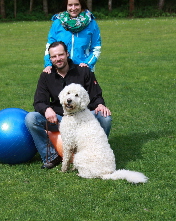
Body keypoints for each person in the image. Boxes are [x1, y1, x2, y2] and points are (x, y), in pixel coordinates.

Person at [25, 41, 112, 169]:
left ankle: (95, 153)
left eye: (60, 55)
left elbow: (95, 95)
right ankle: (51, 157)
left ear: (67, 54)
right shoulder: (46, 75)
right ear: (50, 58)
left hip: (83, 120)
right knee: (31, 118)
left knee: (105, 117)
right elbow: (39, 101)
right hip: (59, 119)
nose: (58, 59)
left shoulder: (83, 71)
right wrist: (47, 109)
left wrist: (100, 104)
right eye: (54, 57)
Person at [43, 0, 101, 73]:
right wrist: (48, 64)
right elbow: (49, 47)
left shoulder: (92, 24)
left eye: (76, 4)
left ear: (81, 5)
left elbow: (96, 48)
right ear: (66, 6)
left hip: (83, 70)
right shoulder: (57, 23)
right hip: (61, 71)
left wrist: (87, 64)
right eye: (70, 5)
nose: (73, 8)